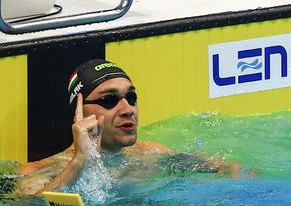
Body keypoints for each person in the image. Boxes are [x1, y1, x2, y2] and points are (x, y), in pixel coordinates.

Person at [16, 59, 240, 195]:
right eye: (109, 100)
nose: (127, 109)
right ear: (80, 112)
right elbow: (31, 205)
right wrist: (80, 160)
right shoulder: (37, 171)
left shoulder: (149, 154)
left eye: (131, 97)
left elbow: (228, 167)